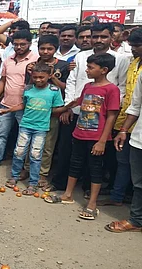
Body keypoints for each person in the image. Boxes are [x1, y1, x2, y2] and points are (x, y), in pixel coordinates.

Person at [48, 23, 129, 191]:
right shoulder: (81, 56)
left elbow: (122, 87)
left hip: (101, 116)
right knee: (67, 148)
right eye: (95, 36)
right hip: (76, 110)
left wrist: (109, 110)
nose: (98, 40)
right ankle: (60, 183)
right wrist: (68, 107)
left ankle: (87, 188)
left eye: (103, 36)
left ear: (111, 38)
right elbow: (71, 81)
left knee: (94, 154)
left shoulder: (120, 59)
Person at [45, 53, 120, 221]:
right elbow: (78, 102)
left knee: (95, 169)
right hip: (80, 132)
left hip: (96, 137)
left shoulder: (111, 90)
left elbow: (111, 116)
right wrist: (63, 109)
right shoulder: (87, 86)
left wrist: (102, 140)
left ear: (104, 70)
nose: (87, 70)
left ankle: (92, 203)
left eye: (91, 68)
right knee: (75, 163)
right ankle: (68, 194)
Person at [2, 63, 74, 194]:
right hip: (25, 125)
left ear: (49, 76)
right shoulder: (28, 89)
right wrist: (8, 110)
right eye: (35, 77)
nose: (38, 80)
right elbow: (24, 105)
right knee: (19, 152)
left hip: (41, 127)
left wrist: (69, 106)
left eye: (42, 77)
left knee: (36, 155)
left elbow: (55, 109)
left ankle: (33, 183)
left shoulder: (54, 91)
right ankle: (14, 176)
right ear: (32, 76)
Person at [0, 30, 39, 168]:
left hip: (25, 106)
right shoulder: (8, 60)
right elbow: (3, 80)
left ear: (30, 44)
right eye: (16, 44)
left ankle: (20, 165)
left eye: (23, 44)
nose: (19, 47)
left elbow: (39, 83)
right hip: (6, 103)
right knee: (1, 133)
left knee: (24, 137)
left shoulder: (36, 59)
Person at [99, 28, 142, 207]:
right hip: (127, 118)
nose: (133, 49)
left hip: (137, 122)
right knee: (123, 161)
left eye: (137, 46)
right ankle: (117, 196)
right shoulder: (133, 63)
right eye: (131, 45)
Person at [22, 35, 70, 187]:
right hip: (34, 110)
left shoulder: (63, 66)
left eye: (49, 48)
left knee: (47, 145)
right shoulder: (32, 65)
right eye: (42, 48)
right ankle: (28, 169)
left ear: (56, 49)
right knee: (29, 143)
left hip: (52, 112)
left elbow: (66, 87)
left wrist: (52, 76)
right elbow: (28, 86)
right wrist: (30, 73)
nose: (45, 51)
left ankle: (42, 173)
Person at [105, 57, 142, 232]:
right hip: (138, 137)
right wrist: (123, 130)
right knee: (138, 181)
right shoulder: (138, 70)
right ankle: (136, 219)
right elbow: (135, 106)